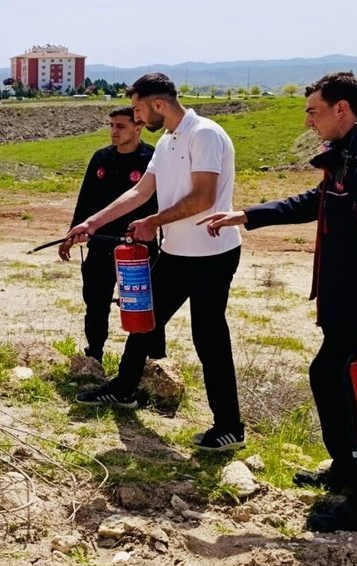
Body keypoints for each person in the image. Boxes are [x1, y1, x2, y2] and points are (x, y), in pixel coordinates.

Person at [198, 71, 357, 532]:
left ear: (342, 109)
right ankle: (346, 470)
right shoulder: (348, 159)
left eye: (313, 111)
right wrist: (249, 215)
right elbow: (316, 200)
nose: (309, 121)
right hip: (346, 306)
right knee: (330, 378)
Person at [59, 72, 244, 452]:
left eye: (140, 109)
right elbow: (141, 191)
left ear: (159, 104)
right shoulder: (168, 141)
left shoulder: (204, 134)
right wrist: (92, 222)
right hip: (178, 253)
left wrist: (153, 222)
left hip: (211, 254)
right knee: (142, 320)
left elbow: (204, 198)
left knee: (208, 338)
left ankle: (229, 427)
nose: (137, 117)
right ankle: (124, 389)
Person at [67, 106, 166, 366]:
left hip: (138, 248)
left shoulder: (151, 160)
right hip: (101, 245)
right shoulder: (101, 159)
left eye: (120, 126)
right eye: (111, 125)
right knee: (95, 302)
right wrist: (75, 231)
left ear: (138, 127)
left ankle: (153, 361)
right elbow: (86, 200)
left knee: (142, 306)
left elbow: (161, 202)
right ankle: (95, 355)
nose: (114, 131)